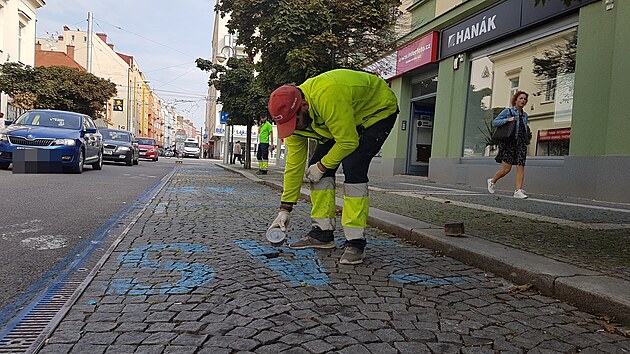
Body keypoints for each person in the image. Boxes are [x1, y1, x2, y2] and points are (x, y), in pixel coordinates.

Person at [267, 69, 398, 265]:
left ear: (304, 106)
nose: (293, 129)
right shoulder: (292, 120)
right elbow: (294, 165)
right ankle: (322, 234)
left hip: (376, 111)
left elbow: (347, 142)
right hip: (344, 118)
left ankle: (355, 242)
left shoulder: (328, 95)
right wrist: (285, 209)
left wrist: (322, 165)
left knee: (353, 165)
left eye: (296, 123)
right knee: (317, 168)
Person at [487, 90, 530, 199]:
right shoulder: (508, 111)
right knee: (506, 169)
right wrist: (508, 120)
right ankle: (492, 181)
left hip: (520, 144)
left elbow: (523, 129)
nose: (523, 100)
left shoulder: (525, 115)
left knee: (521, 166)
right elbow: (494, 122)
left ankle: (518, 190)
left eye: (525, 99)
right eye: (521, 98)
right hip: (509, 144)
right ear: (515, 100)